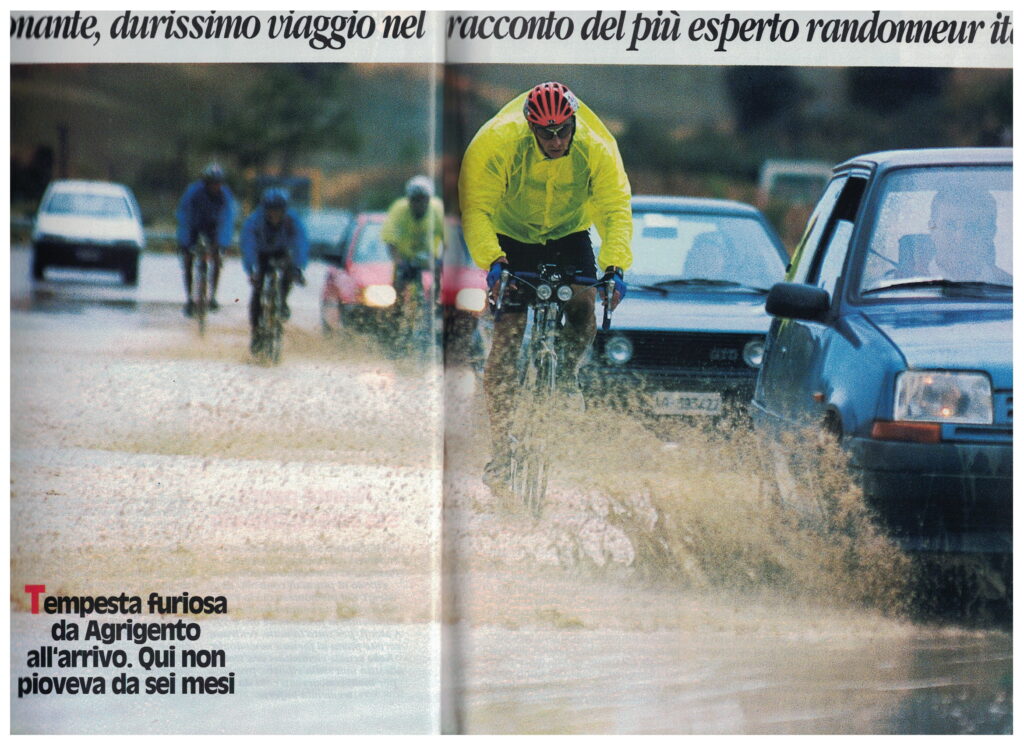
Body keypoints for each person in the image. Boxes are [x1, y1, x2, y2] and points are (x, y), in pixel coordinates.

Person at [458, 81, 633, 490]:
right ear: (530, 128)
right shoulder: (498, 142)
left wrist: (615, 267)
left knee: (584, 304)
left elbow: (614, 209)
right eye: (545, 133)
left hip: (569, 234)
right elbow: (476, 207)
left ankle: (566, 377)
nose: (556, 141)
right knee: (506, 339)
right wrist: (493, 262)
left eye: (562, 131)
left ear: (573, 122)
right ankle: (501, 452)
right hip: (512, 235)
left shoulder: (597, 147)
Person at [240, 188, 309, 351]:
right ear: (265, 210)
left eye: (279, 211)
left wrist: (298, 268)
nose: (275, 215)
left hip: (282, 253)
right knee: (257, 292)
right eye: (271, 211)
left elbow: (301, 243)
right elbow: (248, 244)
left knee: (288, 273)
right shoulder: (254, 221)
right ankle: (256, 332)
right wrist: (251, 269)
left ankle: (282, 300)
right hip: (261, 254)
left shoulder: (293, 221)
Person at [176, 163, 237, 316]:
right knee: (188, 259)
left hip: (214, 228)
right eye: (211, 183)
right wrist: (184, 242)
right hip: (194, 226)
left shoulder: (225, 195)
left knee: (216, 259)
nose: (215, 186)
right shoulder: (194, 192)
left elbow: (228, 219)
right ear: (205, 182)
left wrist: (223, 242)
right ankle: (189, 299)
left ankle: (212, 297)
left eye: (218, 183)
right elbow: (184, 215)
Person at [381, 175, 445, 308]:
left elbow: (448, 241)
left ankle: (436, 303)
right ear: (408, 199)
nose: (419, 204)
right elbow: (390, 240)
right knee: (400, 278)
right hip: (406, 257)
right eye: (414, 200)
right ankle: (397, 311)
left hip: (429, 256)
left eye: (423, 199)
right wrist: (398, 261)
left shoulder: (438, 209)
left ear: (429, 199)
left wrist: (443, 260)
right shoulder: (399, 209)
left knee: (442, 272)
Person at [927, 188, 1011, 284]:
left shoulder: (1010, 289)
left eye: (973, 227)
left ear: (991, 233)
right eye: (950, 225)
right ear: (932, 229)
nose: (960, 237)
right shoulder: (907, 288)